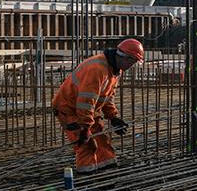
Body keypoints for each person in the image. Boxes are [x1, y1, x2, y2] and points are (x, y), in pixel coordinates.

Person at [53, 38, 144, 173]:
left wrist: (113, 117)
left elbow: (107, 97)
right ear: (127, 58)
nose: (132, 66)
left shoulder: (115, 70)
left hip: (89, 111)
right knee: (87, 145)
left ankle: (107, 170)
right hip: (69, 109)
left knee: (102, 141)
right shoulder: (97, 69)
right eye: (133, 62)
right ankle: (86, 177)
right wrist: (84, 129)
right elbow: (85, 102)